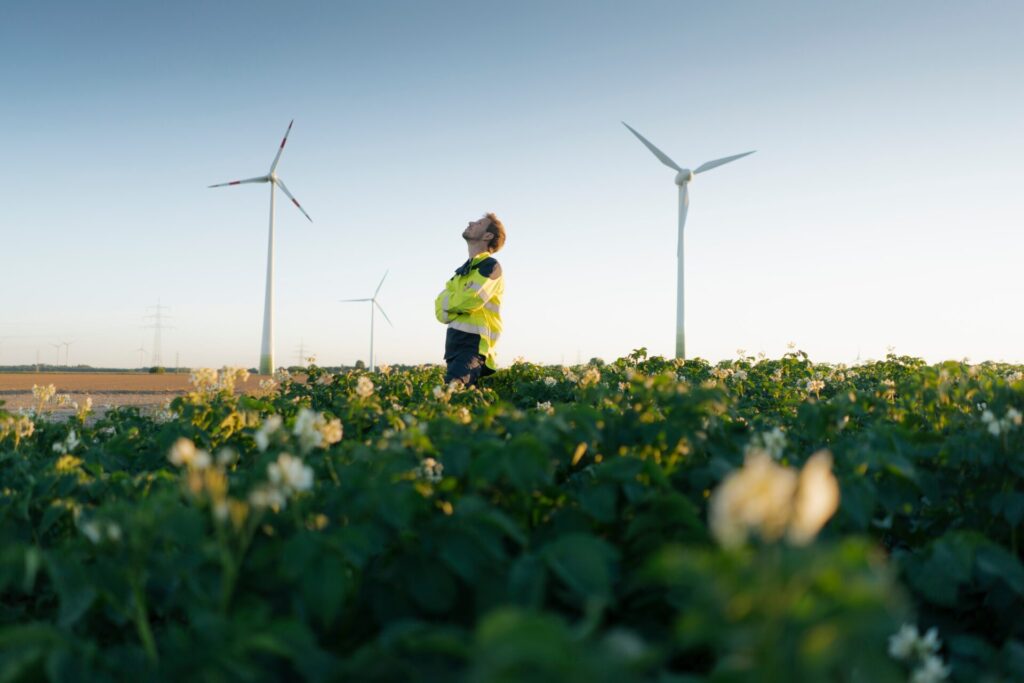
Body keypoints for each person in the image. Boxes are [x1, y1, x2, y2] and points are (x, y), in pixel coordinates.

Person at [434, 213, 506, 386]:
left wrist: (451, 303)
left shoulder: (490, 267)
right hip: (453, 346)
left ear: (487, 236)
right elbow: (439, 312)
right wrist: (457, 302)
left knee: (450, 393)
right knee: (459, 402)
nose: (471, 222)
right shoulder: (460, 274)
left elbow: (470, 300)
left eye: (479, 223)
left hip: (474, 346)